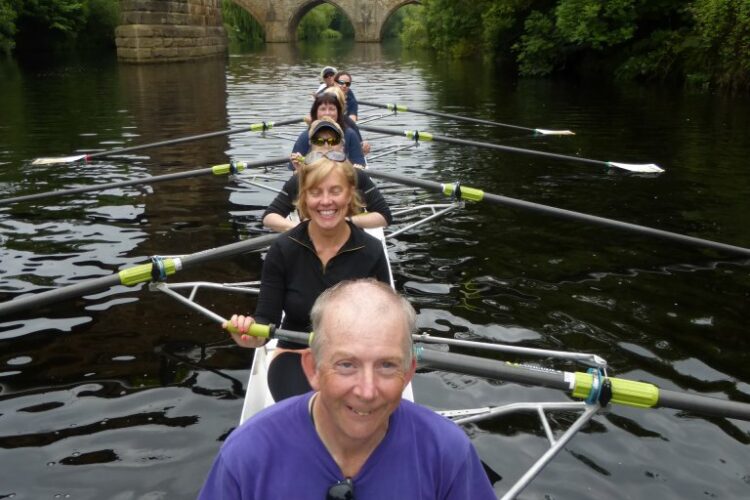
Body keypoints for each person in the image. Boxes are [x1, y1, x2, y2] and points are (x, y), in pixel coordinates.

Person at [199, 279, 497, 499]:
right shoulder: (245, 456)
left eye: (386, 366)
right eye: (346, 365)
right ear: (312, 369)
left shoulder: (449, 452)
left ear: (408, 373)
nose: (367, 391)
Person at [225, 159, 391, 402]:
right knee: (314, 407)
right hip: (296, 351)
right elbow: (266, 320)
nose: (326, 201)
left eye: (335, 191)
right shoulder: (282, 249)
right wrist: (252, 336)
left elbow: (385, 321)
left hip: (356, 356)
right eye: (315, 192)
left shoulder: (371, 251)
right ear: (304, 199)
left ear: (349, 197)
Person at [265, 117, 390, 233]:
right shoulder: (301, 177)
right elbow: (269, 217)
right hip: (310, 241)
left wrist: (347, 222)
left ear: (342, 145)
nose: (326, 145)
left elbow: (384, 216)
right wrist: (300, 228)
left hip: (351, 239)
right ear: (312, 146)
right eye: (319, 141)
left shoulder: (356, 175)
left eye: (333, 140)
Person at [290, 92, 365, 170]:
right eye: (323, 109)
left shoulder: (350, 134)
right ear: (315, 112)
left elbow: (359, 164)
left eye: (332, 109)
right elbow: (294, 170)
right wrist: (300, 168)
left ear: (338, 112)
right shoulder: (305, 136)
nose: (327, 113)